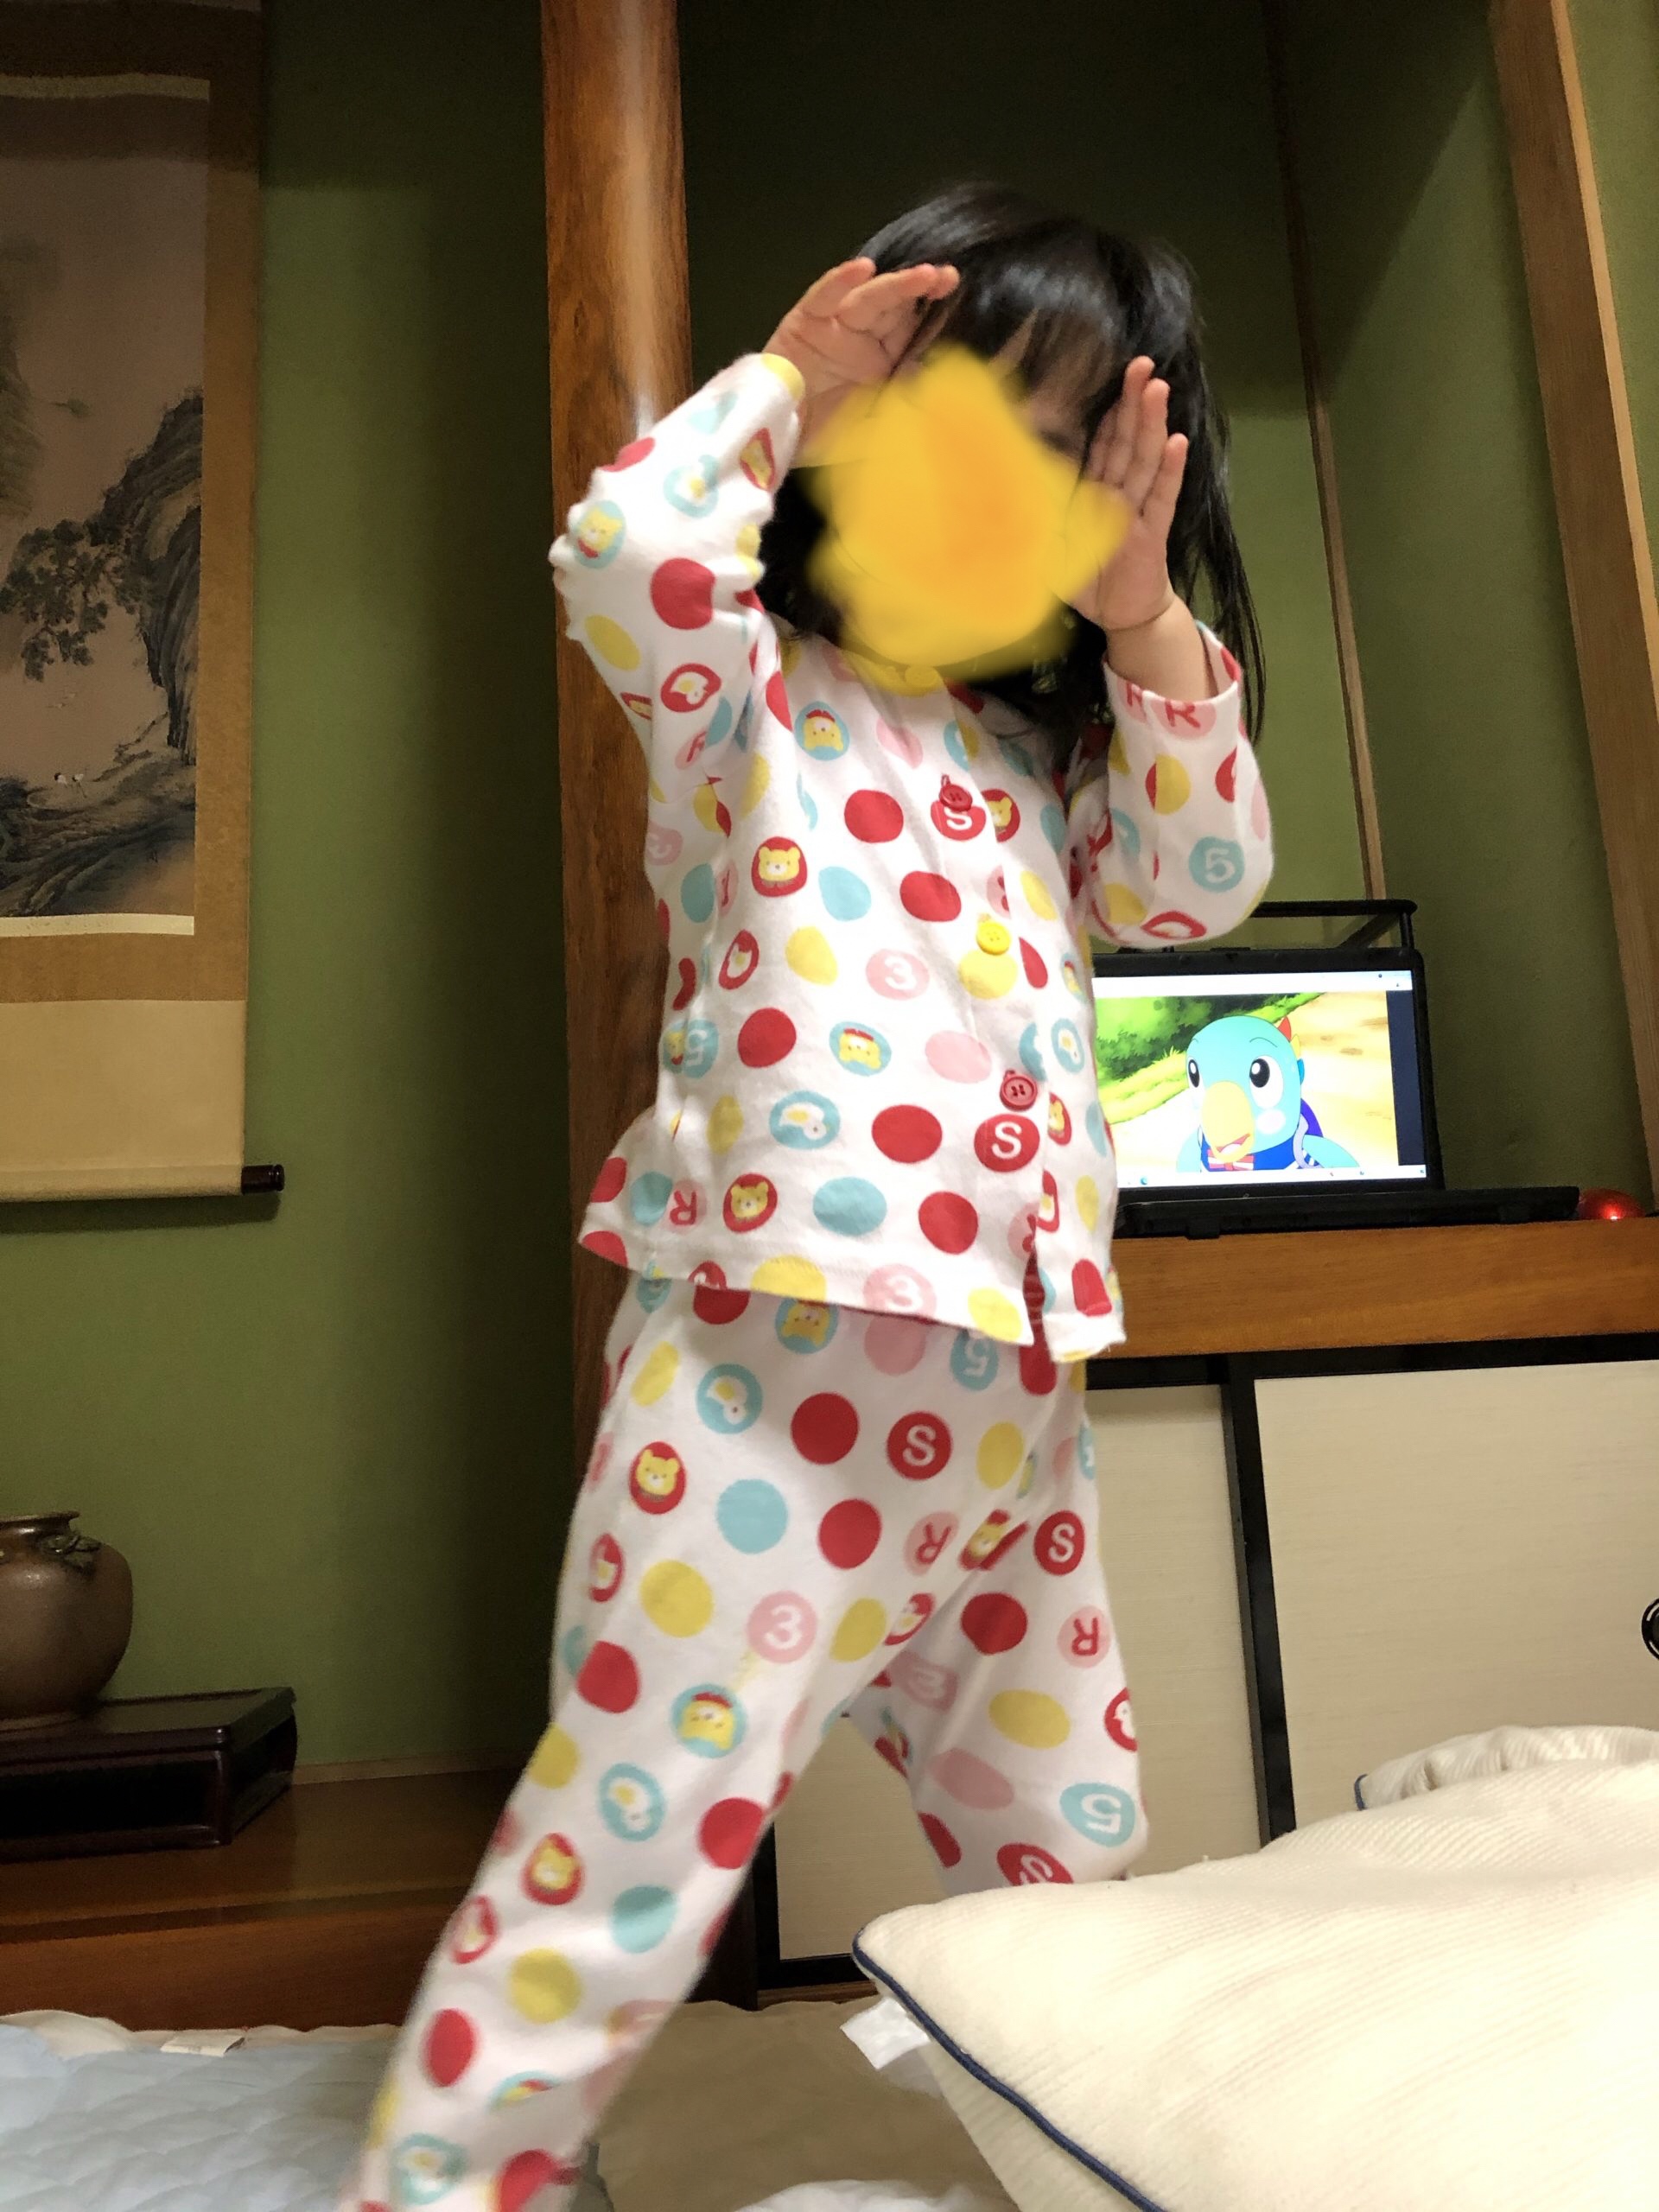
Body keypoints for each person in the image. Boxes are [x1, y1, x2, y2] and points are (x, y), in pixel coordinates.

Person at [339, 181, 1272, 2212]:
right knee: (629, 1842)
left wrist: (1143, 619)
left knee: (1075, 1856)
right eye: (961, 415)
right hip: (770, 1383)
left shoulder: (1047, 774)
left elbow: (1203, 880)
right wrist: (781, 383)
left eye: (1068, 449)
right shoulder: (749, 696)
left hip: (1012, 1416)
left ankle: (1105, 2170)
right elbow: (624, 549)